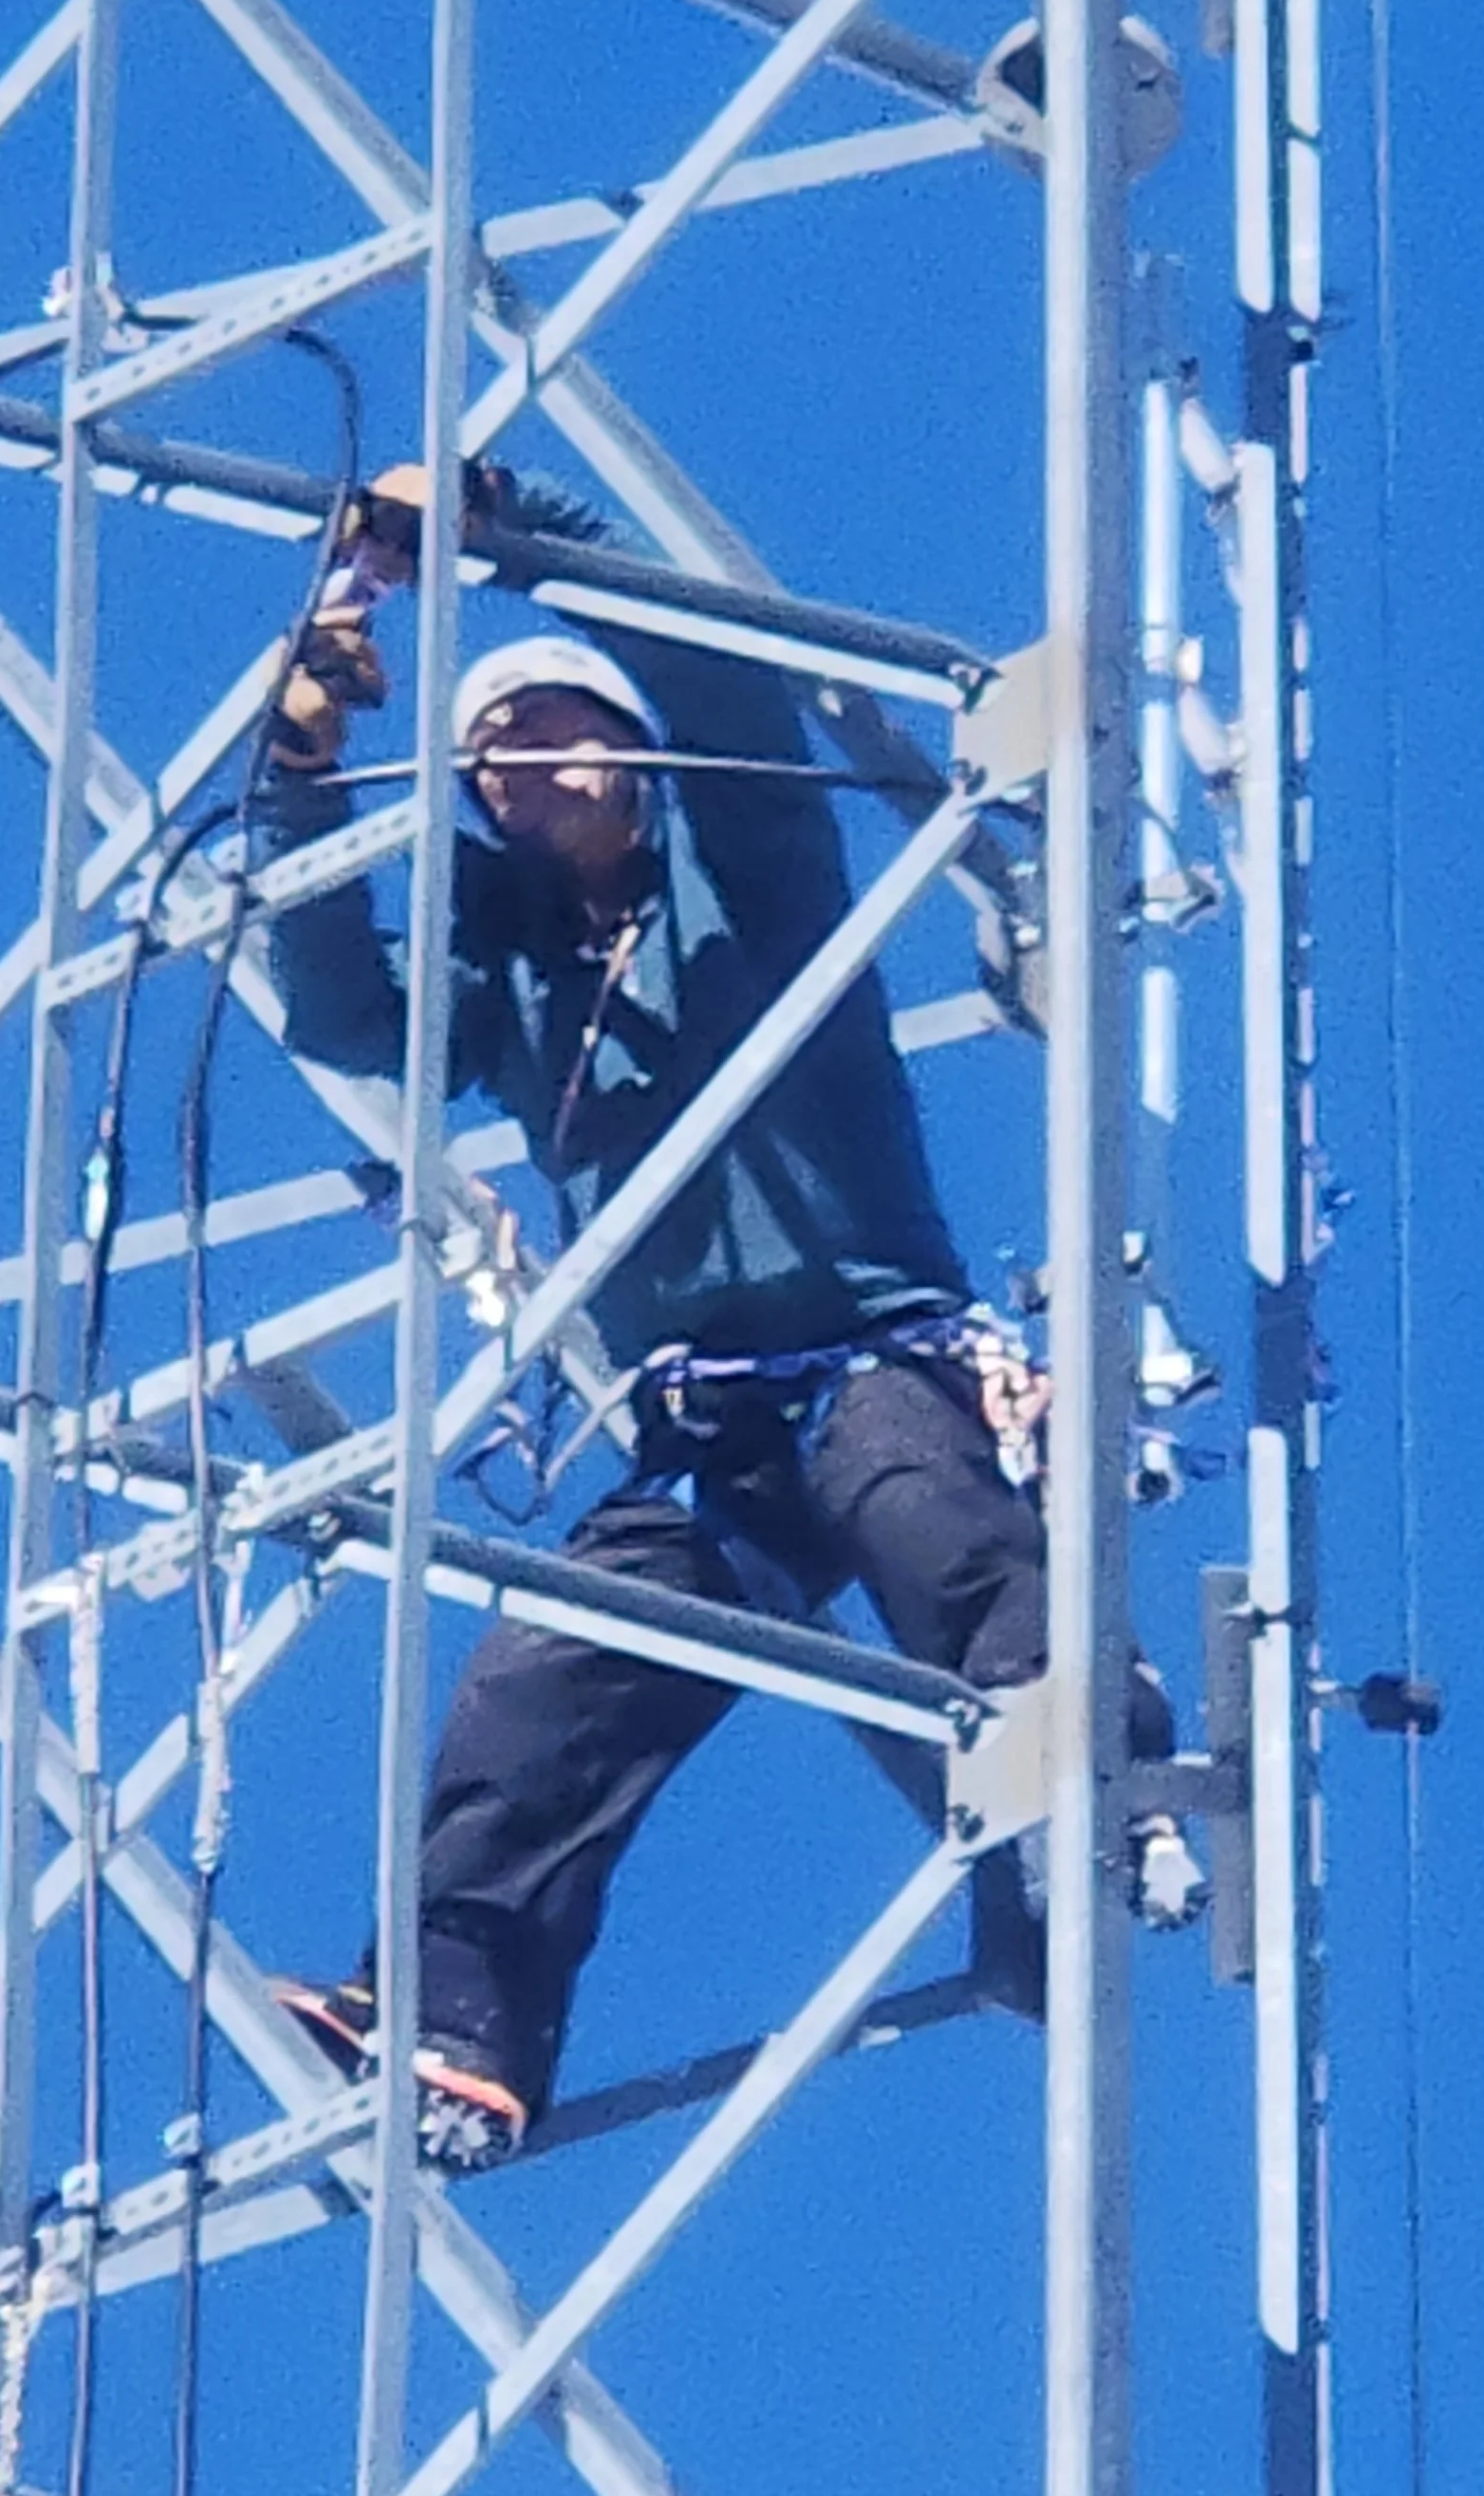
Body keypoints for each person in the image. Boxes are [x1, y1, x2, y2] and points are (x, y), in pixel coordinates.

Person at [257, 465, 1175, 2171]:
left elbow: (722, 673)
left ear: (622, 742)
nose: (519, 764)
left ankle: (1078, 1789)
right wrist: (296, 778)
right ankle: (453, 2018)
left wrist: (497, 517)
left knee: (934, 1525)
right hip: (705, 1419)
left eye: (545, 723)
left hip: (872, 1350)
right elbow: (342, 1006)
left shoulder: (750, 871)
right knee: (541, 1686)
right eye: (488, 759)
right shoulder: (521, 971)